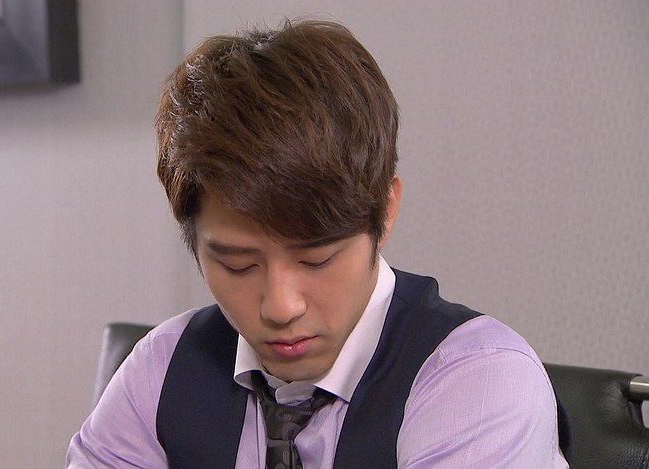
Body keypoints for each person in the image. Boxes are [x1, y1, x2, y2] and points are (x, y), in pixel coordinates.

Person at [67, 19, 569, 468]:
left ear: (385, 212)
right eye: (238, 265)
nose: (281, 307)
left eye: (317, 259)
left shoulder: (479, 381)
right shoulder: (161, 371)